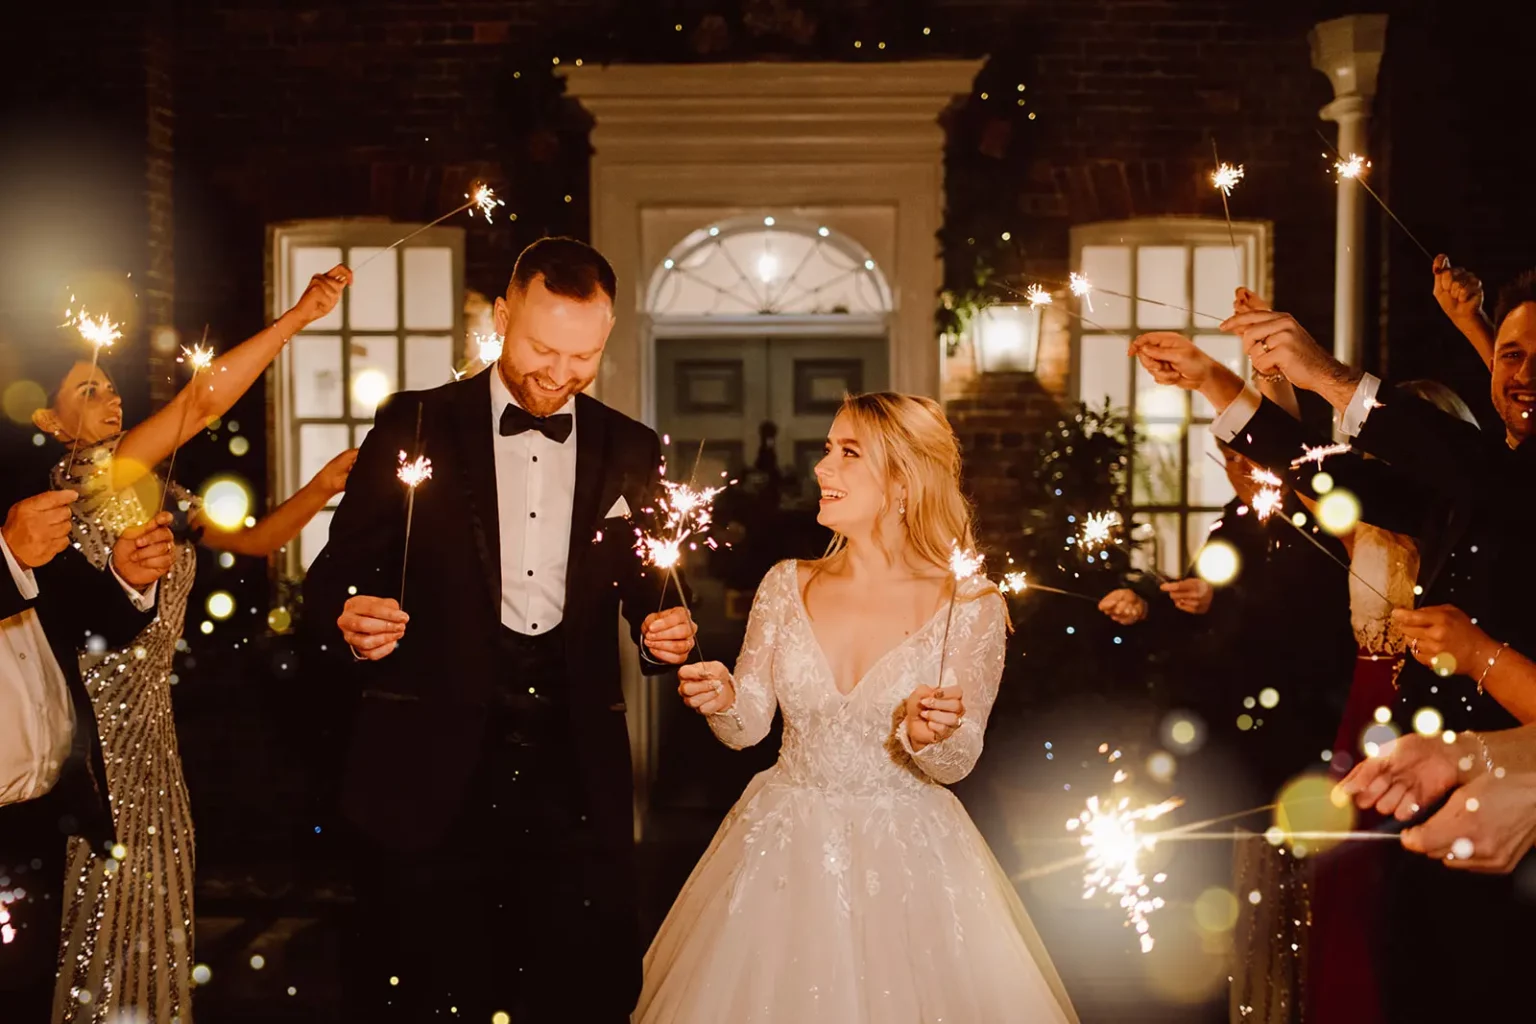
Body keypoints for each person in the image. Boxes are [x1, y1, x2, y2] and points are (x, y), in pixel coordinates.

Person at [303, 237, 699, 1023]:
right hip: (431, 764)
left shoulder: (631, 446)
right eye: (542, 348)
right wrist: (354, 614)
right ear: (501, 316)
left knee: (572, 987)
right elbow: (333, 579)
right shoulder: (414, 423)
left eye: (584, 356)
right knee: (432, 986)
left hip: (573, 767)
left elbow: (651, 580)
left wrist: (666, 626)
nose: (559, 374)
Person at [1129, 274, 1536, 1023]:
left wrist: (1330, 377)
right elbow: (1338, 479)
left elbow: (1451, 454)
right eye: (1509, 353)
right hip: (1434, 785)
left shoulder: (1496, 481)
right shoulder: (1476, 487)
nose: (1523, 375)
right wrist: (1221, 385)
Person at [636, 392, 1078, 1024]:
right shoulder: (787, 583)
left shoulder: (969, 603)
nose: (822, 468)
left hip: (910, 865)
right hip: (780, 855)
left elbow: (958, 761)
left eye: (848, 453)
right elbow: (749, 728)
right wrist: (725, 698)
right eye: (827, 450)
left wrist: (929, 737)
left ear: (903, 481)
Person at [29, 265, 352, 1024]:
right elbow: (202, 399)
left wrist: (325, 486)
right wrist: (299, 316)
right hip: (100, 739)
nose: (107, 400)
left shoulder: (157, 491)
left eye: (108, 389)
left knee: (160, 911)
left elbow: (260, 541)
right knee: (103, 924)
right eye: (85, 392)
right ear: (50, 422)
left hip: (156, 738)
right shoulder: (81, 485)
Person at [0, 485, 175, 1022]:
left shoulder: (10, 493)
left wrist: (127, 577)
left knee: (22, 995)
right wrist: (5, 559)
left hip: (32, 820)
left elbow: (89, 619)